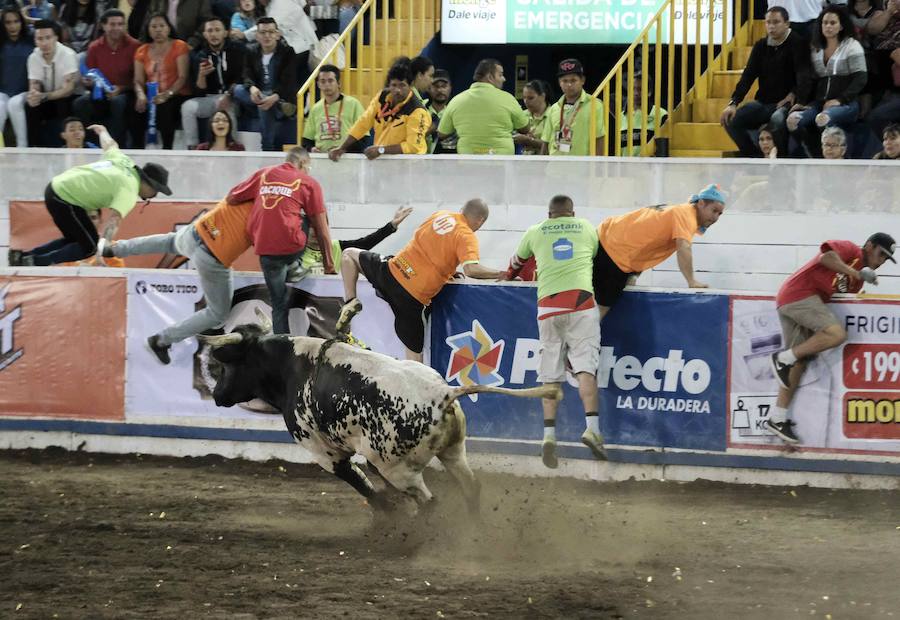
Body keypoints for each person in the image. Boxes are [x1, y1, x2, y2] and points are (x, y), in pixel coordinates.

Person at [503, 195, 606, 469]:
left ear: (549, 214)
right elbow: (596, 255)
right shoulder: (586, 227)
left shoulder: (535, 231)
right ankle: (592, 428)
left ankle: (548, 435)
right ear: (572, 213)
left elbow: (514, 265)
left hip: (548, 307)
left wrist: (507, 276)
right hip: (581, 303)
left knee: (550, 374)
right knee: (585, 368)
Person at [335, 199, 502, 363]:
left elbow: (427, 244)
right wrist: (502, 273)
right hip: (412, 297)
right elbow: (472, 269)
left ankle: (350, 300)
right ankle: (416, 387)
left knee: (348, 254)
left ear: (462, 210)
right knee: (415, 358)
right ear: (480, 220)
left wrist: (448, 269)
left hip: (391, 272)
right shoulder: (466, 235)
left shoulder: (440, 215)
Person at [768, 233, 895, 443]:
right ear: (870, 246)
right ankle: (782, 358)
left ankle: (777, 418)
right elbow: (825, 258)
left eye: (886, 259)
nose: (881, 262)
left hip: (795, 300)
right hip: (800, 294)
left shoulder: (857, 282)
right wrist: (856, 272)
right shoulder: (851, 250)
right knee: (836, 334)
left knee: (799, 362)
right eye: (881, 254)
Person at [99, 197, 256, 365]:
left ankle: (115, 248)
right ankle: (161, 340)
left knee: (170, 241)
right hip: (214, 255)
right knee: (217, 314)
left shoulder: (254, 189)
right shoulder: (270, 211)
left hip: (198, 231)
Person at [8, 124, 171, 267]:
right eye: (156, 191)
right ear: (150, 184)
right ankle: (35, 262)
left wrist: (102, 131)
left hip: (56, 188)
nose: (154, 196)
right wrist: (100, 251)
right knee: (89, 248)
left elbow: (110, 145)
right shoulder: (129, 190)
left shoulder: (125, 162)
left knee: (76, 240)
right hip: (65, 197)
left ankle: (23, 256)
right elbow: (113, 222)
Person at [226, 147, 335, 335]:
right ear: (303, 163)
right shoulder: (308, 182)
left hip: (265, 249)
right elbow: (322, 229)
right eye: (309, 166)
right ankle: (295, 265)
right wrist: (329, 266)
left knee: (278, 304)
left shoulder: (263, 174)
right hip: (292, 246)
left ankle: (280, 347)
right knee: (313, 216)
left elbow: (232, 197)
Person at [593, 184, 727, 319]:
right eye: (714, 210)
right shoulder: (687, 216)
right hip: (614, 250)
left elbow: (647, 235)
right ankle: (580, 339)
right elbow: (684, 247)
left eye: (720, 214)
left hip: (606, 235)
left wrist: (634, 274)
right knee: (601, 308)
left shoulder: (681, 210)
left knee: (598, 299)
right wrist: (691, 281)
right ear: (701, 203)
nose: (716, 218)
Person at [720, 7, 811, 157]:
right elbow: (748, 75)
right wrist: (733, 102)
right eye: (768, 22)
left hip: (786, 103)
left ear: (787, 23)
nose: (771, 26)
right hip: (763, 102)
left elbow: (805, 75)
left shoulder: (797, 43)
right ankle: (756, 158)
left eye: (776, 22)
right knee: (731, 119)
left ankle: (779, 164)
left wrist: (796, 94)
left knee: (778, 119)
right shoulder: (761, 46)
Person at [787, 6, 867, 158]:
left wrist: (840, 99)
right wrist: (803, 101)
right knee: (793, 120)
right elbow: (811, 79)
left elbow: (861, 78)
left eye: (832, 23)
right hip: (820, 103)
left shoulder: (852, 45)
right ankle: (815, 155)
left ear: (841, 25)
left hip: (847, 103)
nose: (828, 26)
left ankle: (837, 159)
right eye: (825, 23)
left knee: (823, 118)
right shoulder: (816, 49)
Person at [328, 58, 431, 161]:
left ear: (411, 85)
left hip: (409, 168)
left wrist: (381, 150)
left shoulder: (418, 111)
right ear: (389, 85)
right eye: (394, 85)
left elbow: (413, 147)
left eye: (402, 85)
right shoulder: (382, 97)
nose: (397, 90)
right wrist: (342, 147)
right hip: (383, 163)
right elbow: (363, 123)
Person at [74, 9, 141, 148]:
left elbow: (139, 79)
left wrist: (121, 88)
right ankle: (92, 144)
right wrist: (88, 82)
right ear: (103, 26)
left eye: (120, 24)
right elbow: (90, 75)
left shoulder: (135, 46)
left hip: (126, 92)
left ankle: (114, 146)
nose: (117, 28)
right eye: (112, 24)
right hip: (100, 92)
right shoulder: (94, 47)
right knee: (80, 103)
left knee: (117, 102)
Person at [437, 58, 529, 155]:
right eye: (500, 75)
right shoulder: (508, 99)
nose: (504, 79)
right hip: (502, 163)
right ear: (489, 77)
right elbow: (525, 128)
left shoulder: (456, 101)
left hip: (468, 162)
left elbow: (442, 133)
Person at [233, 17, 299, 152]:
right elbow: (246, 74)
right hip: (259, 94)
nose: (267, 36)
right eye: (263, 33)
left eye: (271, 32)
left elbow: (288, 81)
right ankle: (277, 105)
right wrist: (252, 88)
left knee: (264, 107)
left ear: (277, 34)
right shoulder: (251, 51)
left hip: (280, 95)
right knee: (238, 89)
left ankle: (267, 148)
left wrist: (274, 97)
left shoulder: (288, 52)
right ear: (257, 36)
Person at [181, 16, 244, 149]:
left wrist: (228, 95)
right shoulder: (199, 55)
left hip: (232, 97)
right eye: (210, 31)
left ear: (225, 32)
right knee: (187, 107)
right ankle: (192, 148)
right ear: (204, 34)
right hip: (210, 99)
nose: (213, 34)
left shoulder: (237, 50)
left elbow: (242, 78)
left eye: (217, 30)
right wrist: (202, 75)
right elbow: (199, 91)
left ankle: (232, 148)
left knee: (227, 108)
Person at [298, 206, 412, 275]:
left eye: (320, 226)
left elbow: (365, 243)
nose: (316, 231)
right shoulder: (295, 252)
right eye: (312, 227)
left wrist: (391, 226)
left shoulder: (336, 247)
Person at [134, 13, 190, 149]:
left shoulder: (179, 46)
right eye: (154, 26)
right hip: (151, 96)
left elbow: (183, 77)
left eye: (161, 26)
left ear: (169, 28)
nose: (158, 30)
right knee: (133, 109)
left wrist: (167, 94)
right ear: (148, 29)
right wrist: (140, 95)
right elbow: (138, 80)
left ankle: (167, 150)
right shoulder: (142, 50)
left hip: (176, 94)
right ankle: (137, 151)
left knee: (164, 108)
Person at [25, 20, 78, 147]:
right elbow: (34, 84)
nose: (44, 43)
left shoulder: (67, 54)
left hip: (68, 97)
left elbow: (68, 89)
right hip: (47, 96)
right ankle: (34, 149)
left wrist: (45, 96)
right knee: (31, 106)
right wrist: (34, 95)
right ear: (35, 40)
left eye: (48, 38)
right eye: (40, 39)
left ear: (56, 38)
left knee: (62, 104)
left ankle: (61, 148)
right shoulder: (33, 57)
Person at [541, 58, 605, 156]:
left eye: (573, 80)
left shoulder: (595, 105)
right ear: (559, 82)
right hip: (555, 168)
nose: (569, 84)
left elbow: (599, 138)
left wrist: (598, 166)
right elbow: (546, 142)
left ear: (582, 80)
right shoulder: (554, 108)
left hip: (582, 168)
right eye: (564, 81)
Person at [300, 64, 364, 153]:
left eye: (330, 81)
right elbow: (306, 140)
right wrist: (311, 149)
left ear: (338, 83)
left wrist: (344, 149)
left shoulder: (354, 104)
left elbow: (364, 136)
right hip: (322, 157)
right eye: (323, 81)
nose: (327, 85)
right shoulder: (315, 108)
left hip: (346, 157)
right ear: (318, 84)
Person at [0, 7, 32, 147]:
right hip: (3, 91)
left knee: (14, 104)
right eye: (8, 22)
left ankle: (22, 149)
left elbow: (50, 26)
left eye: (16, 21)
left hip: (25, 90)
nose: (12, 26)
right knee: (0, 105)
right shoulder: (1, 43)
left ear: (22, 22)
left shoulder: (31, 41)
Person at [618, 76, 668, 155]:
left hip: (649, 166)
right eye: (633, 89)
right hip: (624, 166)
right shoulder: (620, 117)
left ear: (649, 92)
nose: (636, 93)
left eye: (640, 89)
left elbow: (663, 150)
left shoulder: (661, 114)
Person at [515, 79, 551, 156]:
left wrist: (530, 141)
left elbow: (554, 145)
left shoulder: (553, 115)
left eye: (531, 98)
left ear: (542, 96)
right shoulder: (521, 115)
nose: (526, 101)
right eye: (524, 97)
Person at [428, 68, 456, 154]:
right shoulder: (420, 109)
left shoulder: (455, 113)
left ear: (450, 88)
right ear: (428, 88)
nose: (440, 90)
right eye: (436, 86)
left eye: (444, 86)